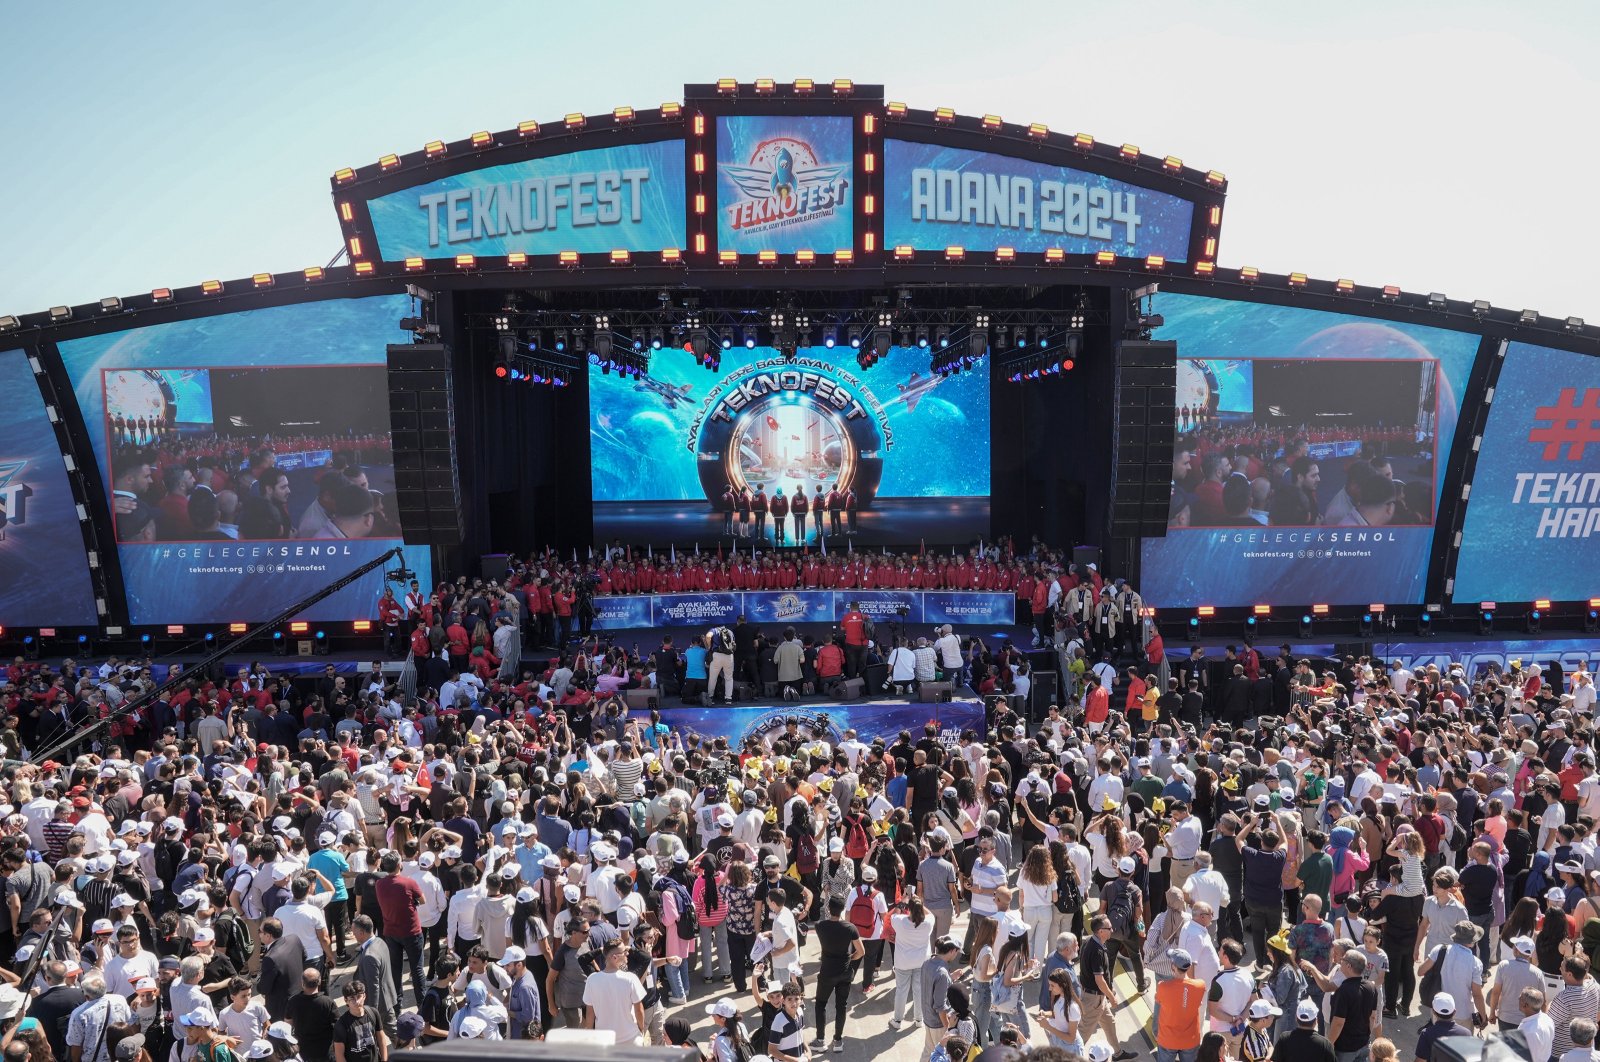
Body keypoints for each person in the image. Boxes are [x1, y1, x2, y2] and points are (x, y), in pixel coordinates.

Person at [811, 895, 863, 1054]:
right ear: (843, 909)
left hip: (827, 972)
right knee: (841, 1006)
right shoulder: (850, 927)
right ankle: (838, 1040)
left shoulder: (820, 925)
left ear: (828, 908)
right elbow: (861, 951)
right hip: (845, 972)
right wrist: (849, 958)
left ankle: (820, 1040)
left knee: (820, 1004)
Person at [583, 940, 647, 1046]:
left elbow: (590, 1014)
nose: (627, 953)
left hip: (604, 1042)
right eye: (624, 951)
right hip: (632, 1040)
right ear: (614, 957)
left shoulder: (592, 980)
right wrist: (641, 1030)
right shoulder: (631, 978)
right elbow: (639, 1010)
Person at [1155, 948, 1207, 1062]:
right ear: (1188, 967)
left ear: (1173, 966)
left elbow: (1159, 1003)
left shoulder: (1162, 987)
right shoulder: (1200, 985)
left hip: (1168, 1039)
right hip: (1191, 1040)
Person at [331, 981, 386, 1062]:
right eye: (352, 998)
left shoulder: (373, 1013)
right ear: (346, 1000)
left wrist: (384, 1059)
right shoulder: (341, 1025)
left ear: (364, 996)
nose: (356, 1001)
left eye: (359, 996)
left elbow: (381, 1039)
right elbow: (339, 1056)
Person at [1413, 993, 1472, 1062]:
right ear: (1454, 1012)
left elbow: (1420, 1060)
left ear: (1434, 1012)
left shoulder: (1427, 1034)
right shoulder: (1466, 1034)